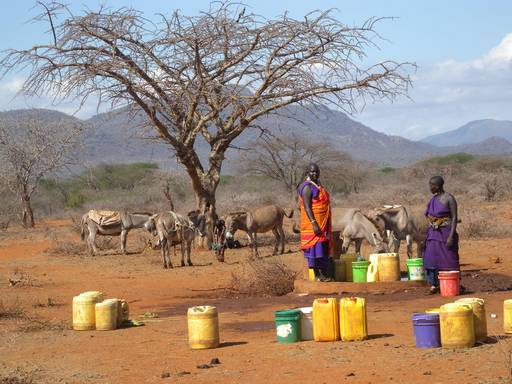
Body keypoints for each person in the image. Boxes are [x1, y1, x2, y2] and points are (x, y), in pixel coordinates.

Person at [424, 175, 463, 294]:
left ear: (437, 186)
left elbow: (454, 217)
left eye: (431, 185)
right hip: (433, 233)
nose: (430, 188)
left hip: (446, 232)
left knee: (449, 258)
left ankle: (454, 283)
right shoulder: (433, 200)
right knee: (430, 258)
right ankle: (434, 284)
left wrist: (451, 236)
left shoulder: (449, 198)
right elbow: (428, 214)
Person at [297, 163, 333, 282]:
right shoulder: (307, 187)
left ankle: (322, 274)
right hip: (314, 223)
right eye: (312, 171)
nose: (315, 173)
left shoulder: (318, 185)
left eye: (316, 171)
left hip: (322, 222)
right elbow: (307, 207)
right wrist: (314, 223)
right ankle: (317, 275)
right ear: (308, 172)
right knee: (314, 248)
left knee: (321, 247)